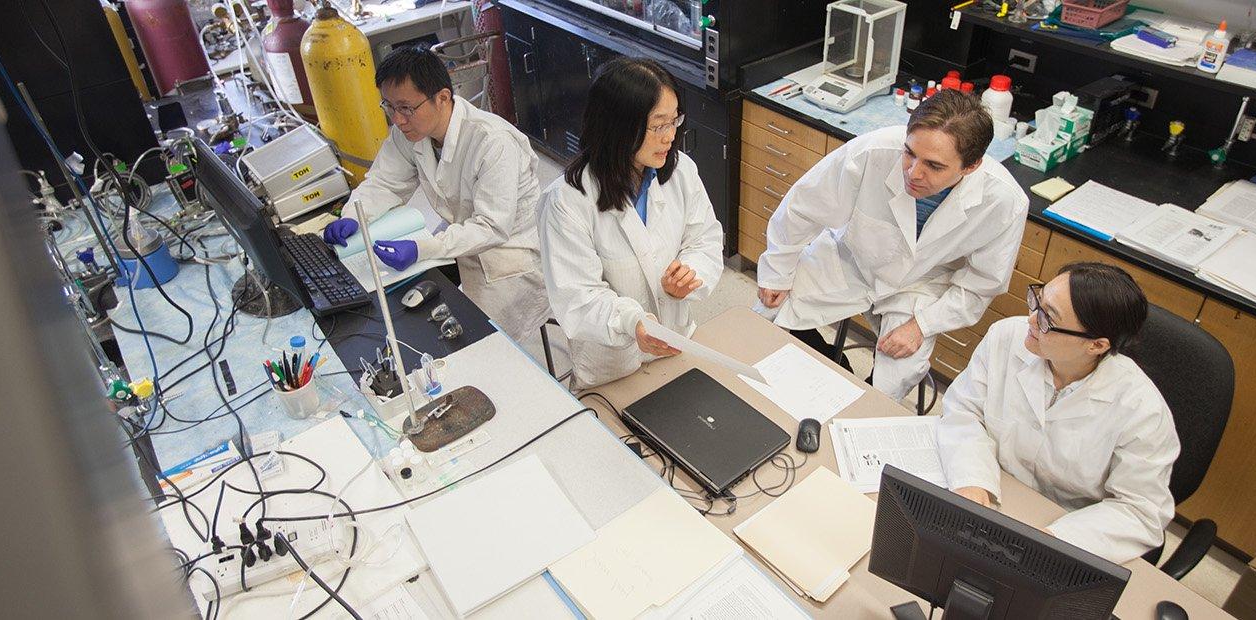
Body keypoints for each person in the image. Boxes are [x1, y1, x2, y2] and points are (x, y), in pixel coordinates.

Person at [755, 91, 1029, 399]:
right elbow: (802, 207)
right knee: (767, 315)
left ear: (971, 166)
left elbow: (982, 284)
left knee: (896, 376)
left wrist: (922, 326)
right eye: (909, 153)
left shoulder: (1005, 202)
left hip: (921, 285)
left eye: (934, 166)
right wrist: (777, 272)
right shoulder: (873, 151)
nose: (913, 173)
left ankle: (858, 405)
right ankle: (833, 365)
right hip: (852, 258)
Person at [936, 262, 1180, 564]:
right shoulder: (1005, 338)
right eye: (1038, 302)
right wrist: (971, 479)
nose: (1031, 319)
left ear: (1096, 345)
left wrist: (1057, 540)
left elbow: (1140, 510)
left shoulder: (1142, 412)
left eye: (1048, 318)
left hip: (1066, 530)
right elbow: (964, 410)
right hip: (992, 492)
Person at [320, 45, 549, 346]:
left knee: (483, 346)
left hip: (510, 257)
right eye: (388, 107)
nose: (397, 120)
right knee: (402, 305)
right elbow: (385, 183)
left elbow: (491, 227)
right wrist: (353, 214)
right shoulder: (413, 132)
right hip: (461, 237)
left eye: (406, 108)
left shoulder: (493, 143)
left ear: (442, 98)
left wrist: (422, 247)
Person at [539, 57, 724, 388]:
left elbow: (706, 239)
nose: (670, 136)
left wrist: (690, 272)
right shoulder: (566, 202)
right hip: (612, 367)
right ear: (618, 126)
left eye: (674, 121)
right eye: (658, 125)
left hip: (676, 345)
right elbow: (578, 295)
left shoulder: (680, 171)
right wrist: (631, 322)